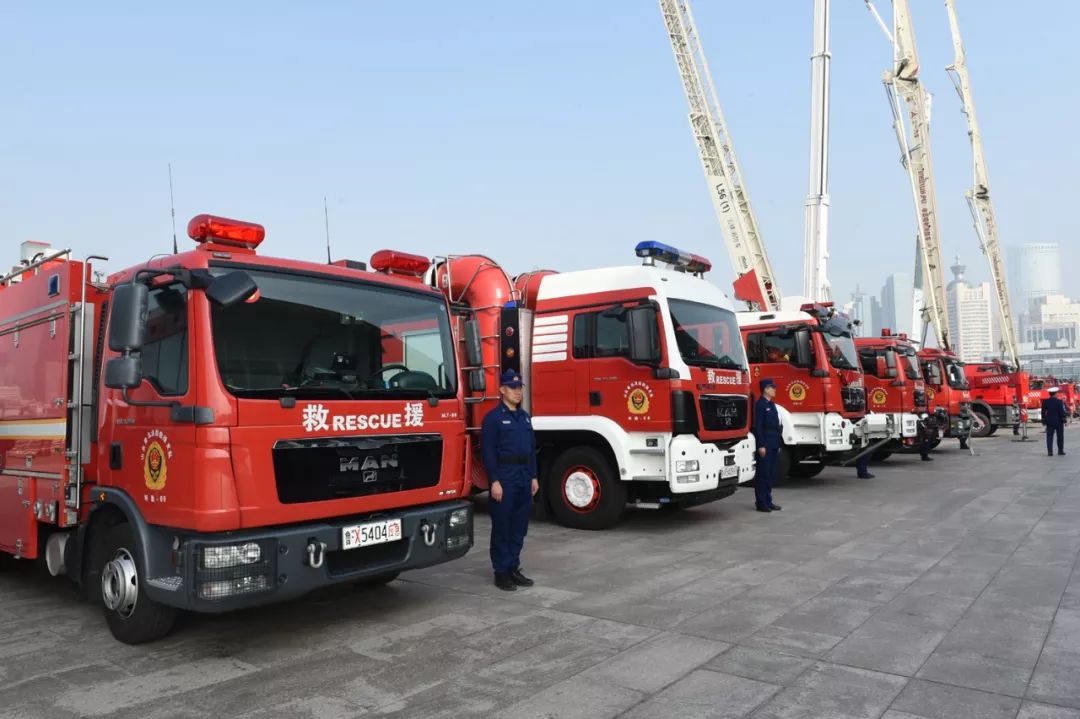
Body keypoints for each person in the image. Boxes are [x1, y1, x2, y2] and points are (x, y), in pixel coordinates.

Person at [481, 369, 539, 591]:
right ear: (502, 390)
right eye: (513, 388)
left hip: (524, 477)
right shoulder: (493, 419)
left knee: (519, 527)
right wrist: (494, 481)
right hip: (505, 478)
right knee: (503, 526)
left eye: (519, 387)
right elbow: (488, 453)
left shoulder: (524, 417)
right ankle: (501, 572)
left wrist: (534, 476)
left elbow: (531, 450)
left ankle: (513, 567)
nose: (518, 391)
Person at [752, 378, 782, 513]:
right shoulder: (760, 405)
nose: (775, 390)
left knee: (770, 474)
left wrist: (778, 443)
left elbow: (777, 426)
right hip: (765, 443)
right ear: (765, 389)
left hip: (774, 442)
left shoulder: (772, 405)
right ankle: (761, 502)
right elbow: (758, 427)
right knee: (763, 474)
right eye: (772, 387)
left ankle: (768, 501)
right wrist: (761, 445)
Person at [1042, 386, 1068, 457]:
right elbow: (1061, 412)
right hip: (1059, 422)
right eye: (1057, 393)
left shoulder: (1045, 401)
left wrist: (1044, 420)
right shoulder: (1059, 401)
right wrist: (1064, 419)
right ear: (1055, 393)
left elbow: (1043, 412)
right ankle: (1060, 451)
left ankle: (1050, 452)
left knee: (1049, 437)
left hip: (1049, 422)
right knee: (1060, 437)